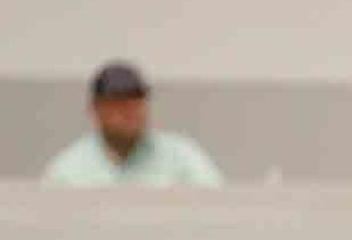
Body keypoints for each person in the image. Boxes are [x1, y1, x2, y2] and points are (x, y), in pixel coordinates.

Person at [42, 61, 223, 187]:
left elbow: (216, 208)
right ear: (95, 109)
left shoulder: (182, 157)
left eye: (136, 102)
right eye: (118, 103)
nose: (130, 112)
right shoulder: (68, 170)